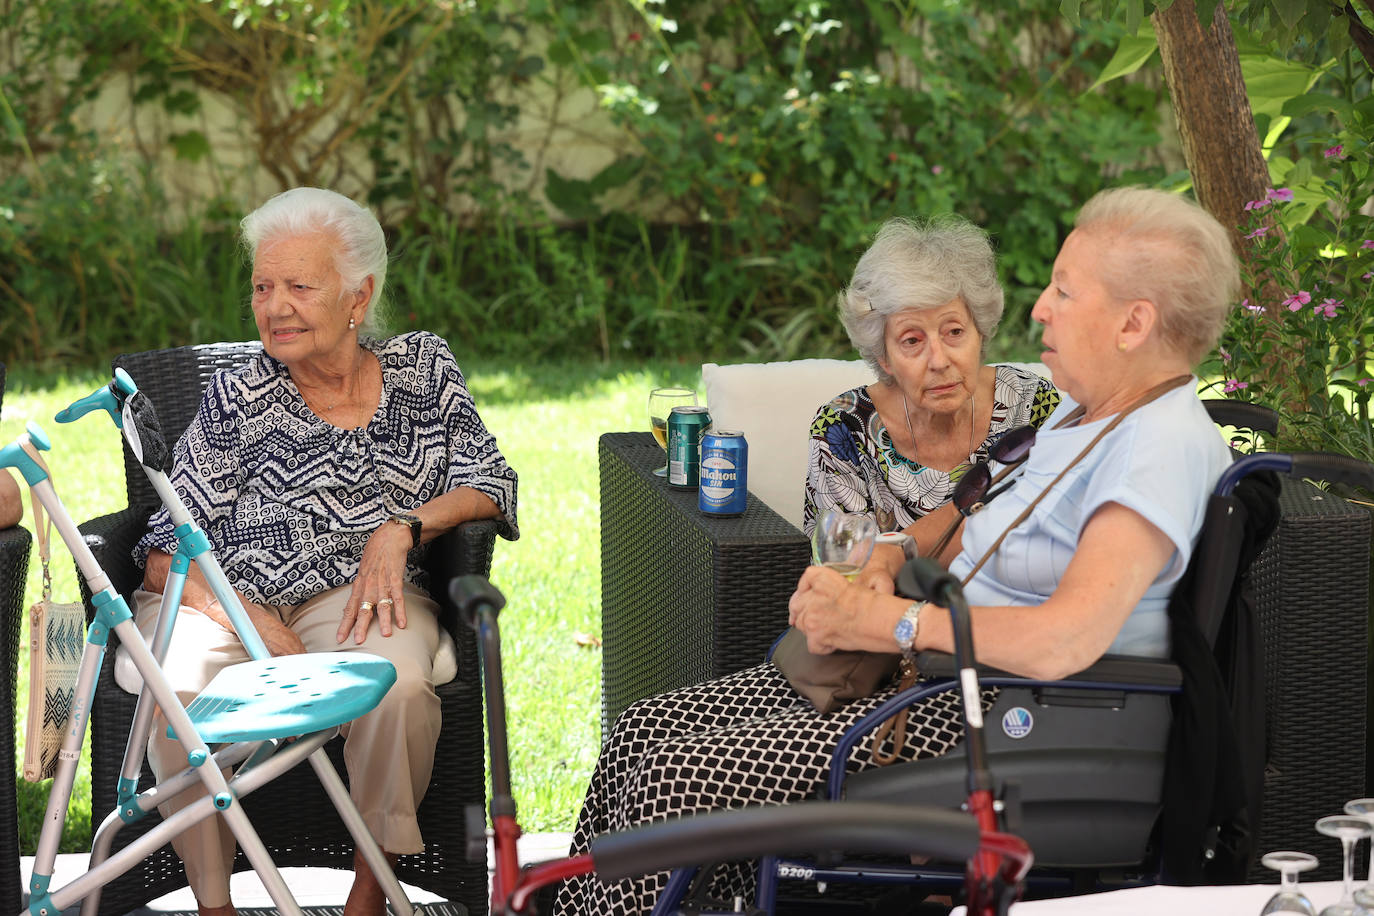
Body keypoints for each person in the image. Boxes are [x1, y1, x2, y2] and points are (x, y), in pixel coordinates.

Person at [554, 187, 1237, 916]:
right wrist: (886, 557)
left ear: (1134, 323)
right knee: (643, 731)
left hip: (1002, 723)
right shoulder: (1087, 411)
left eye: (1064, 291)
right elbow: (979, 521)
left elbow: (1066, 636)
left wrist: (890, 624)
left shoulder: (1157, 449)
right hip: (937, 686)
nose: (1039, 307)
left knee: (675, 777)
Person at [131, 187, 519, 916]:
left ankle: (369, 892)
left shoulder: (422, 370)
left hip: (355, 592)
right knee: (179, 703)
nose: (274, 306)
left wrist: (401, 524)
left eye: (299, 286)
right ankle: (213, 904)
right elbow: (163, 550)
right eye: (262, 286)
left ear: (357, 297)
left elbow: (490, 482)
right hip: (223, 595)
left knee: (398, 689)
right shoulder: (236, 392)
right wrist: (255, 627)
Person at [803, 215, 1059, 582]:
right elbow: (843, 575)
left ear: (980, 335)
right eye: (912, 340)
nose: (939, 361)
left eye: (954, 331)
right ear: (884, 357)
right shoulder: (843, 429)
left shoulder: (1033, 404)